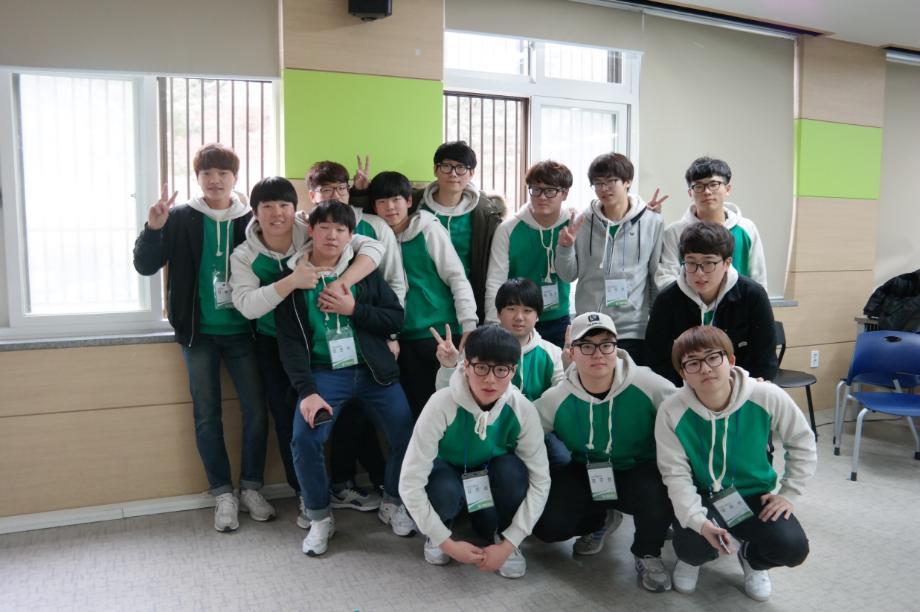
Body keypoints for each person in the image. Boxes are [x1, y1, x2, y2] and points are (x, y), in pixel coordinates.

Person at [229, 176, 388, 525]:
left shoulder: (311, 229)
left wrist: (342, 283)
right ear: (254, 212)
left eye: (284, 205)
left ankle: (342, 484)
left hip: (326, 339)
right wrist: (292, 281)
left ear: (295, 208)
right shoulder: (244, 254)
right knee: (289, 419)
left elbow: (374, 249)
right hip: (275, 343)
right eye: (267, 206)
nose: (277, 213)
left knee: (347, 412)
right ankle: (306, 495)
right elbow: (248, 306)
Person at [133, 143, 275, 532]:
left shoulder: (251, 219)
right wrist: (153, 227)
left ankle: (251, 487)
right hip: (198, 335)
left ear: (235, 177)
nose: (215, 180)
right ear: (197, 178)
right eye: (207, 173)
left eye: (223, 173)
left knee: (256, 411)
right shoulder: (180, 217)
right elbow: (145, 265)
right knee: (207, 415)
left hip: (245, 332)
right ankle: (223, 493)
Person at [274, 200, 416, 556]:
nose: (332, 235)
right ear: (311, 230)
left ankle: (393, 501)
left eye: (341, 229)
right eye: (325, 227)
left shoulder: (363, 274)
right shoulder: (294, 280)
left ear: (351, 235)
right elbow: (290, 345)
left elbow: (395, 319)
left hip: (372, 371)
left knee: (406, 432)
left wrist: (354, 309)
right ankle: (320, 517)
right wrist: (306, 391)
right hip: (324, 374)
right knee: (304, 439)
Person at [656, 326, 816, 601]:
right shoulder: (671, 411)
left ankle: (753, 560)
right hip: (702, 494)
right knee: (694, 544)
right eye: (693, 363)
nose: (705, 368)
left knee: (792, 548)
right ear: (683, 373)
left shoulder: (767, 395)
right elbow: (675, 475)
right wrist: (698, 521)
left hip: (754, 494)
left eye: (713, 357)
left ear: (730, 360)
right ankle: (691, 560)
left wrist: (789, 493)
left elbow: (802, 442)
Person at [533, 312, 676, 592]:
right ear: (572, 353)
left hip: (639, 469)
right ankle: (600, 521)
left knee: (658, 490)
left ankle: (647, 553)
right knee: (548, 526)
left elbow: (686, 416)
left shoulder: (649, 384)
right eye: (587, 346)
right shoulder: (557, 397)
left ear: (616, 348)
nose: (598, 354)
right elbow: (523, 430)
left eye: (606, 345)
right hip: (588, 469)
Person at [399, 325, 551, 579]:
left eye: (501, 369)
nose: (490, 379)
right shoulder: (441, 403)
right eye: (481, 367)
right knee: (444, 492)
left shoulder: (522, 409)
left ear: (513, 371)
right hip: (446, 470)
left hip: (488, 473)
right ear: (466, 365)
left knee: (512, 473)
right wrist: (446, 542)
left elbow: (540, 481)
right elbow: (409, 482)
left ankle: (500, 532)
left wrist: (509, 543)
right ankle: (440, 528)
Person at [305, 159, 405, 511]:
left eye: (341, 188)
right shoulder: (304, 235)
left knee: (381, 421)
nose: (335, 195)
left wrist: (390, 333)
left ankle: (388, 491)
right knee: (328, 426)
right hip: (324, 358)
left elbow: (394, 282)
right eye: (326, 189)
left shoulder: (371, 229)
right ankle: (331, 494)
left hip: (370, 342)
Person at [366, 170, 478, 418]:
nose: (390, 207)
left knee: (452, 404)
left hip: (441, 333)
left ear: (408, 201)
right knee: (418, 409)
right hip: (402, 337)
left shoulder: (428, 229)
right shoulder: (375, 240)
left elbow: (456, 277)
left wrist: (469, 325)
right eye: (382, 201)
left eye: (396, 199)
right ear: (374, 207)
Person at [555, 153, 664, 366]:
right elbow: (568, 275)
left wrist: (656, 322)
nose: (604, 188)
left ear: (627, 182)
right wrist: (565, 248)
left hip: (633, 329)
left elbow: (655, 275)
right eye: (598, 183)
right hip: (590, 326)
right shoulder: (581, 221)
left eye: (611, 181)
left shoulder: (652, 222)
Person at [646, 221, 777, 387]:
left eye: (708, 263)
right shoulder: (667, 300)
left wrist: (746, 389)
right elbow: (657, 360)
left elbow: (764, 359)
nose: (699, 273)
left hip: (740, 388)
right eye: (691, 263)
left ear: (727, 263)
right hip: (684, 391)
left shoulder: (753, 296)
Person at [484, 160, 574, 347]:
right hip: (517, 319)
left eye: (550, 191)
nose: (542, 197)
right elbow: (495, 279)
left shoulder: (573, 226)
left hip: (558, 318)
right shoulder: (508, 229)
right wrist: (493, 324)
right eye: (536, 189)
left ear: (565, 193)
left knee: (559, 365)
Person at [434, 277, 564, 402]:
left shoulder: (553, 353)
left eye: (527, 310)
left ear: (537, 316)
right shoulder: (478, 347)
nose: (519, 317)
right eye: (511, 309)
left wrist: (570, 368)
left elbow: (561, 398)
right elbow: (447, 394)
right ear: (498, 313)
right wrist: (449, 367)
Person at [417, 140, 505, 323]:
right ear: (435, 169)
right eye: (446, 166)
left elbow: (495, 271)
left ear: (471, 173)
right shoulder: (414, 204)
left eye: (461, 167)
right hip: (421, 308)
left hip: (468, 307)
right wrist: (360, 192)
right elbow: (380, 208)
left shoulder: (485, 215)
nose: (453, 173)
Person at [656, 156, 767, 291]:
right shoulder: (675, 232)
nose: (707, 192)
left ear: (728, 189)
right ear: (690, 193)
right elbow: (667, 278)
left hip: (739, 304)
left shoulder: (746, 228)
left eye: (714, 184)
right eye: (698, 186)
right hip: (688, 304)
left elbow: (758, 278)